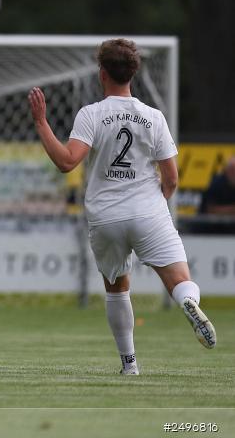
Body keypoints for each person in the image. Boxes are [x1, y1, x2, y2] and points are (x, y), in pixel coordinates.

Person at [29, 38, 216, 376]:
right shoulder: (153, 116)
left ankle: (129, 364)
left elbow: (67, 162)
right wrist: (154, 206)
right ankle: (188, 301)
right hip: (148, 211)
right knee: (179, 280)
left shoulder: (92, 114)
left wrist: (42, 122)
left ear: (102, 73)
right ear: (134, 73)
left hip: (106, 215)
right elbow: (172, 178)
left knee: (116, 288)